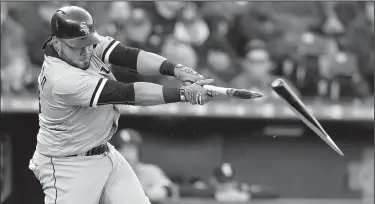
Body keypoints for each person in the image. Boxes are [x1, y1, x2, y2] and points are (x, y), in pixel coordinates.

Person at [28, 6, 216, 204]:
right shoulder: (61, 79)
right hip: (68, 165)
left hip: (103, 152)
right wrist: (184, 93)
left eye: (88, 43)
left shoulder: (82, 43)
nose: (86, 51)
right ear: (57, 43)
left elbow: (128, 55)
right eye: (77, 46)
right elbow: (128, 93)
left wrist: (176, 69)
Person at [112, 129, 175, 202]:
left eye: (130, 149)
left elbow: (168, 189)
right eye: (121, 149)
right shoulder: (108, 174)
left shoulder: (150, 171)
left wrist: (146, 194)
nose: (126, 154)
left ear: (138, 152)